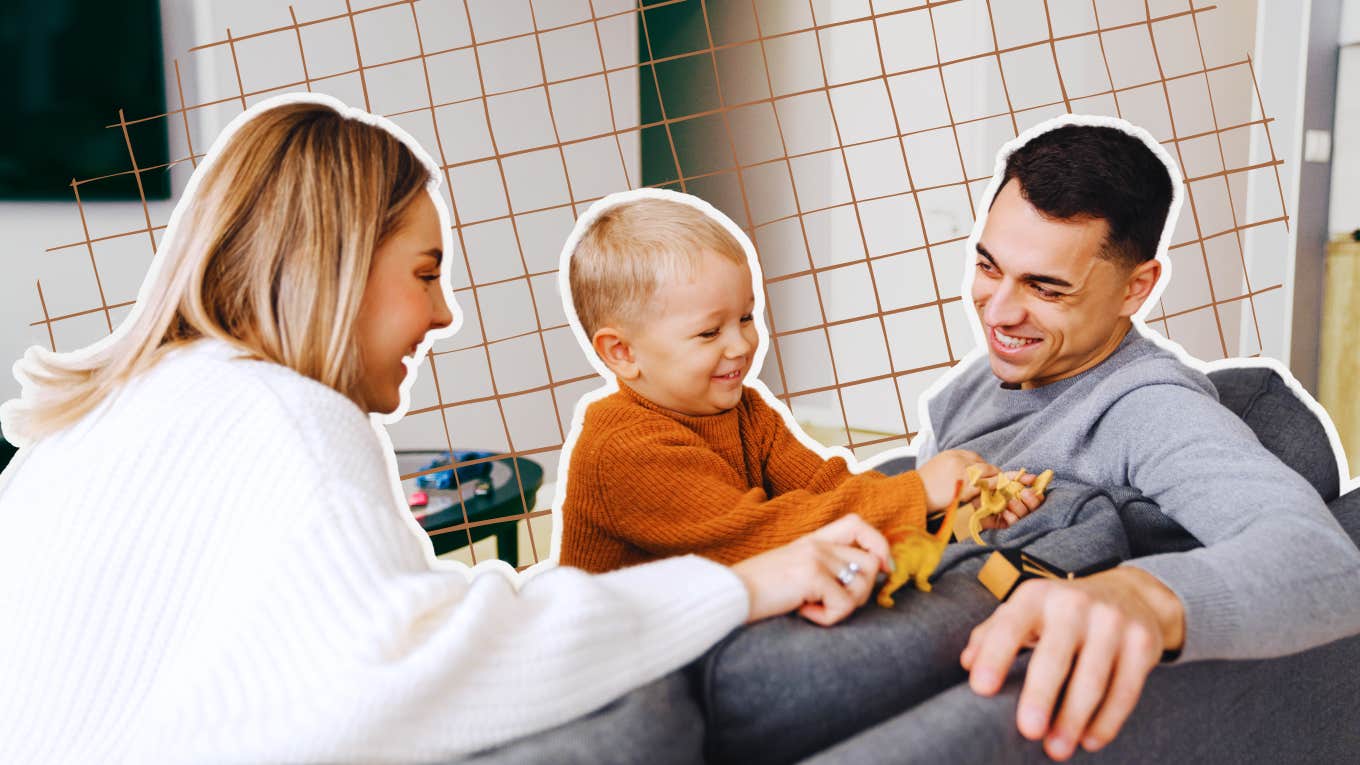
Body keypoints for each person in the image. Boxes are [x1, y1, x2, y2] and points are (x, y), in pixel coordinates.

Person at [0, 95, 895, 763]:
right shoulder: (283, 415)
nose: (444, 313)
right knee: (638, 710)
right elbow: (402, 661)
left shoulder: (109, 416)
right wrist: (736, 587)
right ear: (339, 265)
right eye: (424, 272)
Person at [912, 117, 1360, 760]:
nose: (998, 311)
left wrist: (1138, 598)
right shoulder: (981, 380)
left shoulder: (1147, 408)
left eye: (1046, 287)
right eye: (989, 266)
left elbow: (1326, 563)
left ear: (1136, 289)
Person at [556, 193, 1039, 574]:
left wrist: (949, 513)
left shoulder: (746, 410)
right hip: (629, 674)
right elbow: (763, 537)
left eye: (745, 317)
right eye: (709, 332)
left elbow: (825, 488)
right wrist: (918, 493)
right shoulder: (622, 449)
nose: (740, 345)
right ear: (622, 353)